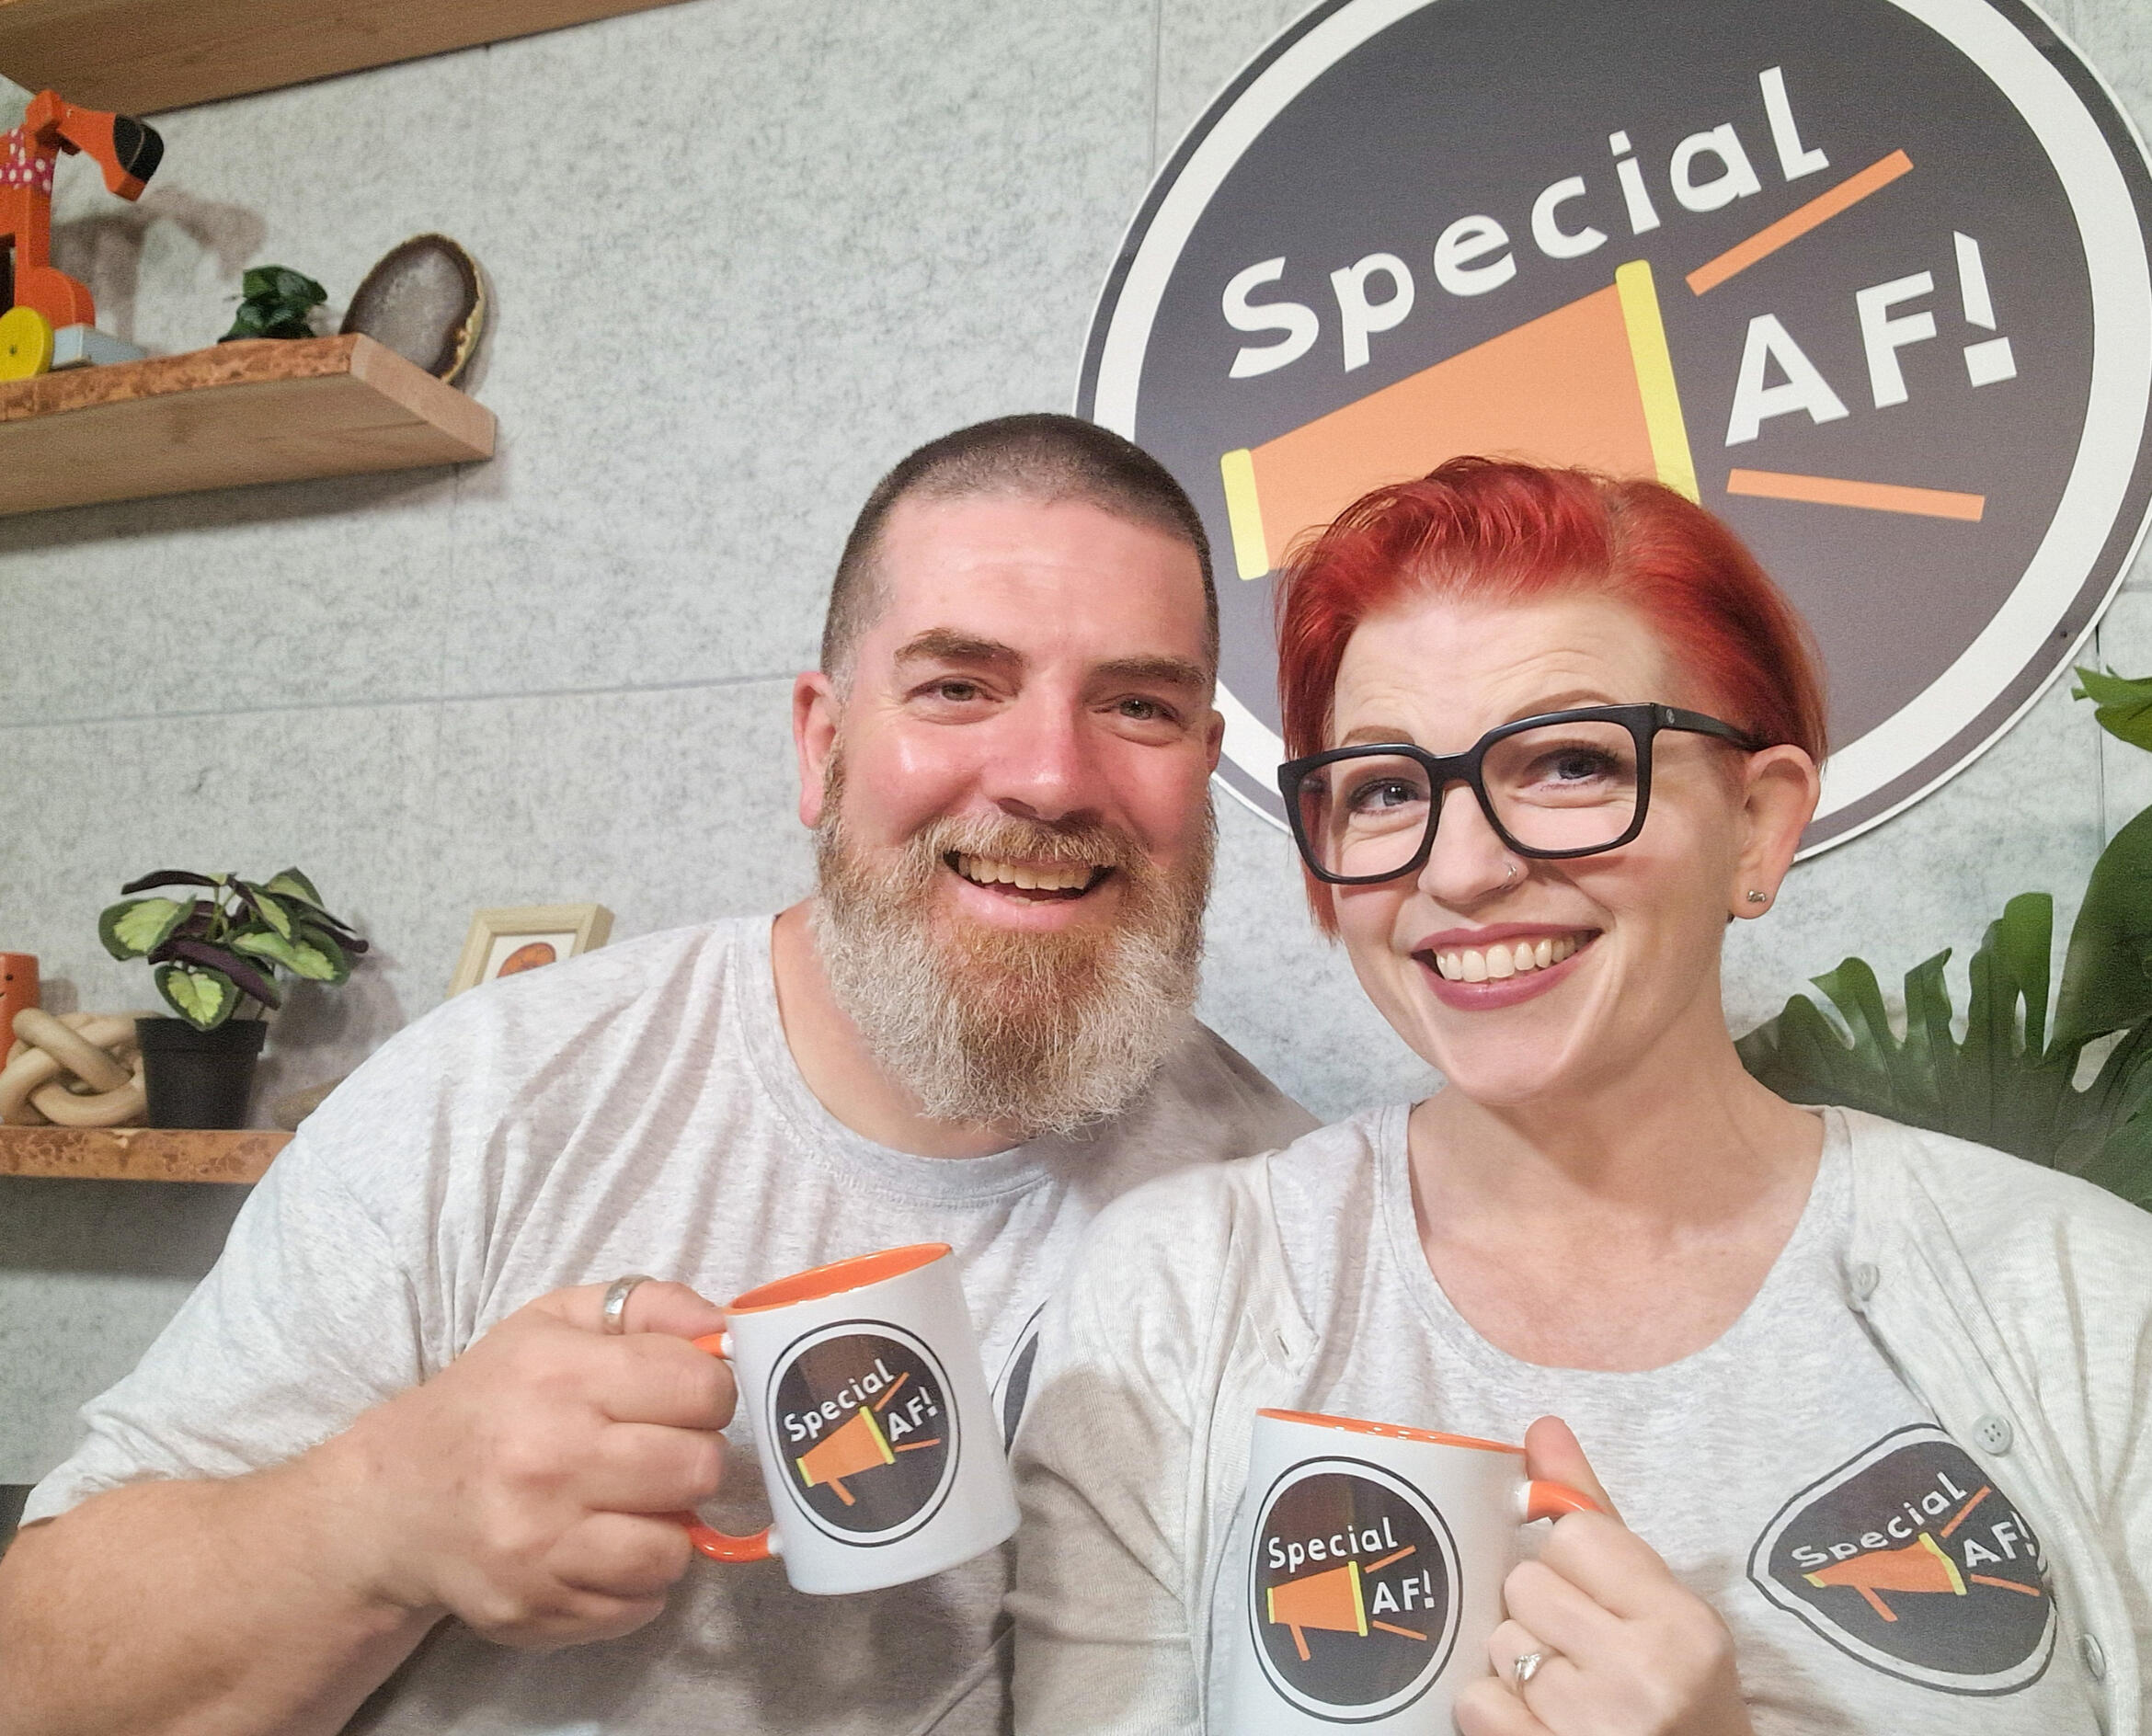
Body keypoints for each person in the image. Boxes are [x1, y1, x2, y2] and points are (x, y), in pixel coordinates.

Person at [0, 413, 1315, 1736]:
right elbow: (36, 1680)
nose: (1048, 776)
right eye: (957, 687)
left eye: (1136, 706)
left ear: (1201, 772)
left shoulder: (1293, 1216)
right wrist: (375, 1516)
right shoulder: (495, 1098)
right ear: (822, 742)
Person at [1009, 458, 2152, 1736]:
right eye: (1386, 789)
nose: (1464, 867)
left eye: (1567, 765)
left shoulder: (2084, 1301)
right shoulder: (1184, 1291)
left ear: (1759, 826)